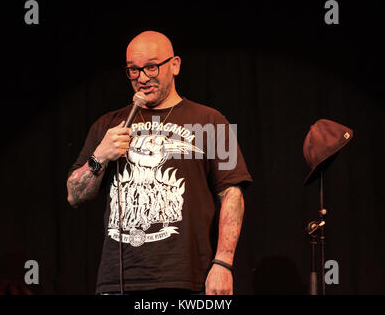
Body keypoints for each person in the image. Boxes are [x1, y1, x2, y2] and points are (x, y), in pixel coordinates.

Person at [67, 31, 252, 295]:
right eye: (133, 70)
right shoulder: (107, 125)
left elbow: (232, 194)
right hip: (118, 281)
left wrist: (223, 263)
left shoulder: (213, 121)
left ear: (174, 65)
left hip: (187, 279)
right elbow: (74, 195)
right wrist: (100, 157)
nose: (142, 78)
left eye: (151, 67)